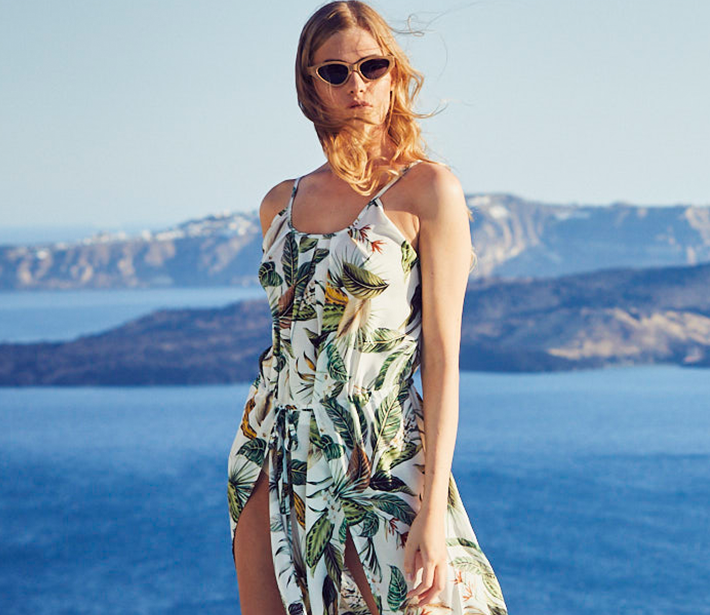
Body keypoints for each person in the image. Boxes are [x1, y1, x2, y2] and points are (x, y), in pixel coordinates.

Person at [226, 2, 505, 614]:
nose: (357, 85)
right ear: (311, 86)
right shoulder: (279, 204)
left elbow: (442, 360)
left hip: (379, 454)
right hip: (274, 448)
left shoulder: (427, 191)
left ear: (393, 72)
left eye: (372, 67)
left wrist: (432, 513)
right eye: (336, 72)